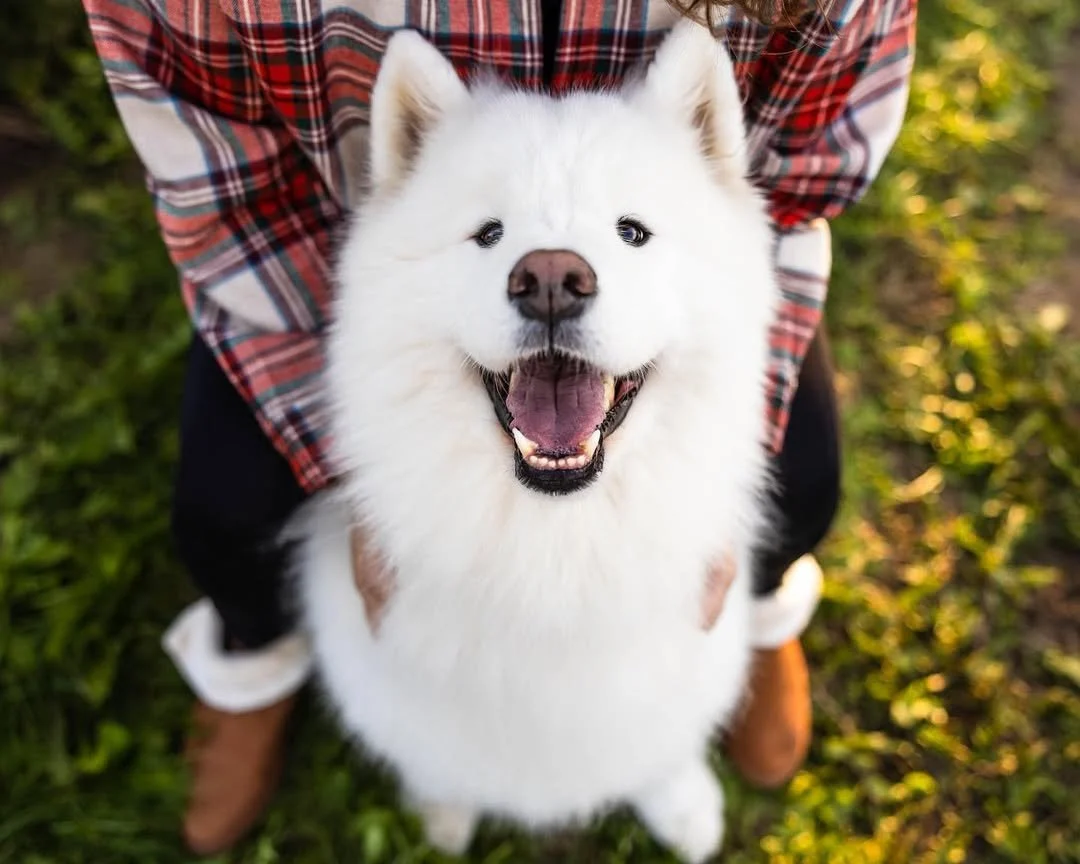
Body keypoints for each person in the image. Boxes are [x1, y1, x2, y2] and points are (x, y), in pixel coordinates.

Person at [83, 0, 916, 854]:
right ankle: (266, 672)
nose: (552, 277)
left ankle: (707, 693)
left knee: (802, 485)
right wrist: (352, 460)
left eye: (630, 232)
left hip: (718, 289)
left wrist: (738, 449)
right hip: (298, 269)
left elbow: (805, 182)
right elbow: (226, 185)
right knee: (225, 509)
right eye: (489, 235)